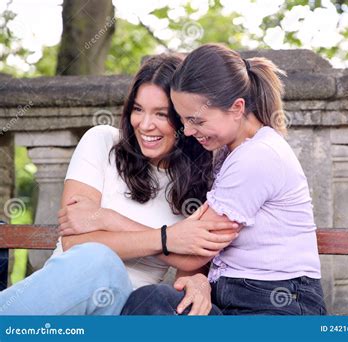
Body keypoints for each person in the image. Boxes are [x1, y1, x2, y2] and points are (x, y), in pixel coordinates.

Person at [0, 54, 238, 315]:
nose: (145, 125)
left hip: (125, 312)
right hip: (64, 300)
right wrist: (167, 239)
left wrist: (109, 220)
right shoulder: (102, 142)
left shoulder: (202, 184)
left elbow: (190, 262)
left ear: (184, 117)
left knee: (102, 259)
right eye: (137, 109)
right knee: (98, 260)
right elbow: (75, 243)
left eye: (161, 113)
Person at [121, 44, 327, 315]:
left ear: (237, 108)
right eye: (183, 121)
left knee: (155, 302)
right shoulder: (228, 152)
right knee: (153, 301)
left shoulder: (256, 157)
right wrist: (198, 280)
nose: (189, 131)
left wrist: (109, 223)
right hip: (234, 303)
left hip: (278, 307)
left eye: (197, 121)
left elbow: (194, 252)